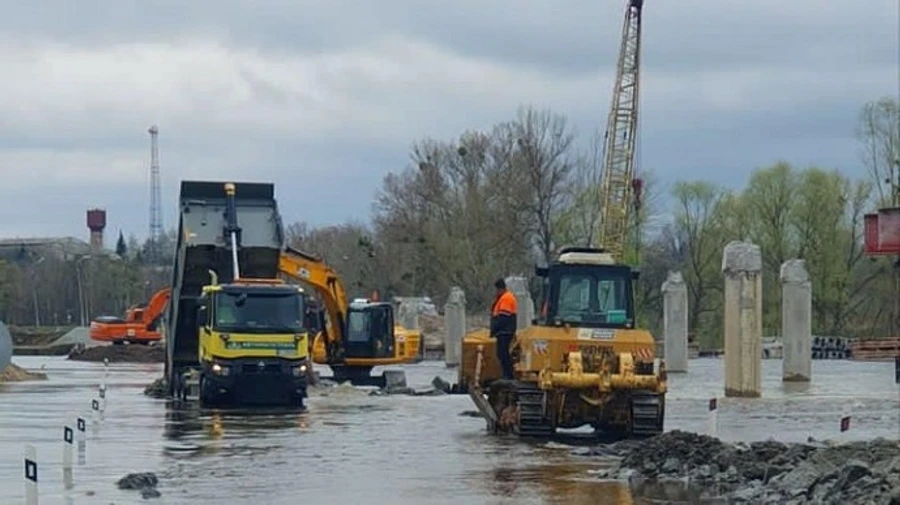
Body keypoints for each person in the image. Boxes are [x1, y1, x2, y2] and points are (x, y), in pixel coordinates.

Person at [490, 278, 518, 380]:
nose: (496, 292)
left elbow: (503, 317)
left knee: (503, 353)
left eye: (496, 290)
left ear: (500, 289)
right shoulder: (504, 297)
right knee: (502, 353)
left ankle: (508, 375)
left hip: (505, 331)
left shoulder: (506, 298)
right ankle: (507, 374)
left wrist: (495, 329)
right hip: (504, 331)